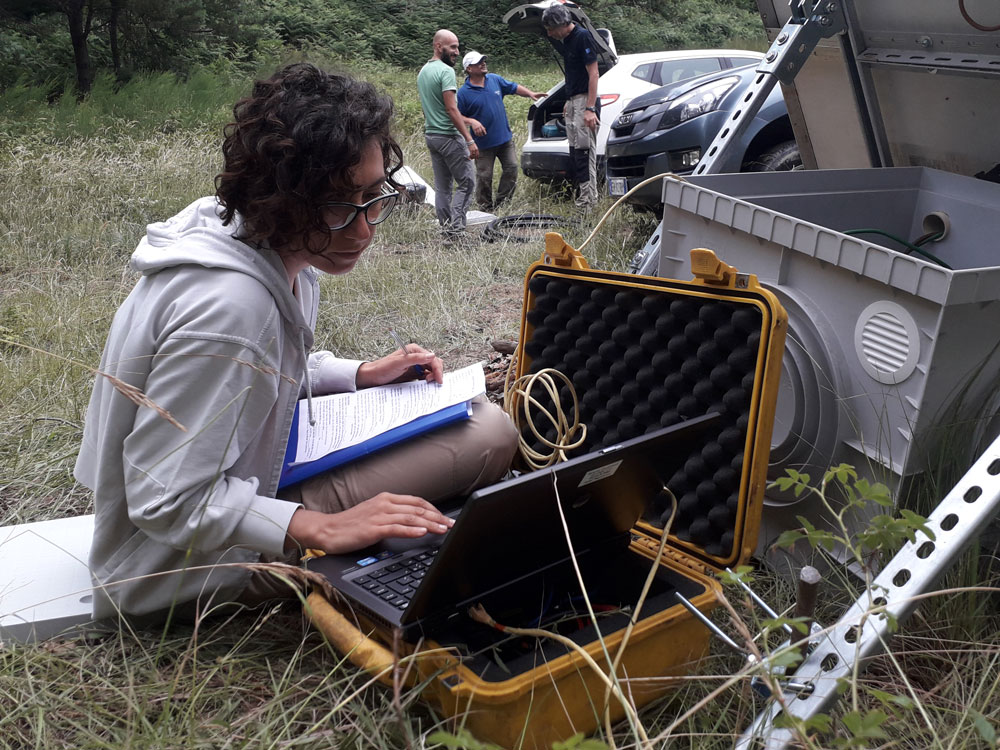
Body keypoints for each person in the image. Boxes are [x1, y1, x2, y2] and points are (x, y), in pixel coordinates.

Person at [75, 63, 519, 622]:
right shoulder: (231, 308)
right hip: (166, 567)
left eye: (371, 196)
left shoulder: (268, 242)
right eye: (337, 205)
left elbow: (256, 372)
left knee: (472, 415)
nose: (363, 230)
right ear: (283, 195)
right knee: (488, 435)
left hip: (245, 471)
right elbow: (163, 499)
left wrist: (356, 375)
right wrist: (321, 528)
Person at [456, 51, 543, 211]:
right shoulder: (463, 93)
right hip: (482, 144)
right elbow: (456, 116)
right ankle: (486, 208)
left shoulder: (494, 80)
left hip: (505, 139)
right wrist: (471, 121)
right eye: (478, 62)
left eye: (483, 60)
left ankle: (503, 204)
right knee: (484, 176)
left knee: (512, 169)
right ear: (468, 68)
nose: (483, 63)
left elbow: (514, 87)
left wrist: (530, 93)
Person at [417, 29, 483, 237]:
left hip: (432, 136)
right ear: (438, 47)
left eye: (457, 47)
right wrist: (469, 139)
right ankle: (457, 230)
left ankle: (446, 231)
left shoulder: (423, 71)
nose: (457, 51)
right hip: (448, 135)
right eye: (452, 47)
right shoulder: (446, 71)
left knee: (443, 187)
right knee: (467, 182)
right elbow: (451, 109)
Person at [541, 4, 600, 211]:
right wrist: (568, 100)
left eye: (549, 29)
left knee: (585, 152)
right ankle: (583, 199)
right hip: (574, 100)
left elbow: (593, 73)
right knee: (575, 152)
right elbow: (573, 75)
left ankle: (588, 202)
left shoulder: (582, 37)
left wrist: (590, 108)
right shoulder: (566, 41)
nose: (549, 33)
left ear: (560, 24)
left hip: (586, 101)